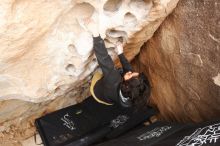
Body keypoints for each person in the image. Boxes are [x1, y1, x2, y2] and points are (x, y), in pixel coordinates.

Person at [90, 36, 151, 108]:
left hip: (97, 91)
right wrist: (120, 53)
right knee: (121, 73)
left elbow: (104, 59)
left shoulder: (113, 80)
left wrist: (96, 37)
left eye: (130, 74)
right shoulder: (132, 97)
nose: (130, 72)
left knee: (99, 70)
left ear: (125, 85)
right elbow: (129, 70)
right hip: (108, 100)